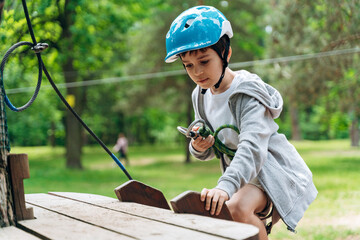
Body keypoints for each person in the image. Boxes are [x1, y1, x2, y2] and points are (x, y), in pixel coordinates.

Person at [165, 6, 317, 239]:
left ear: (226, 54)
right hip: (242, 176)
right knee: (224, 216)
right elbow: (209, 147)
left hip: (271, 172)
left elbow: (253, 148)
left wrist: (225, 186)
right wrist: (199, 145)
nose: (197, 72)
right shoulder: (200, 94)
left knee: (236, 208)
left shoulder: (247, 93)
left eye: (204, 61)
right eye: (188, 66)